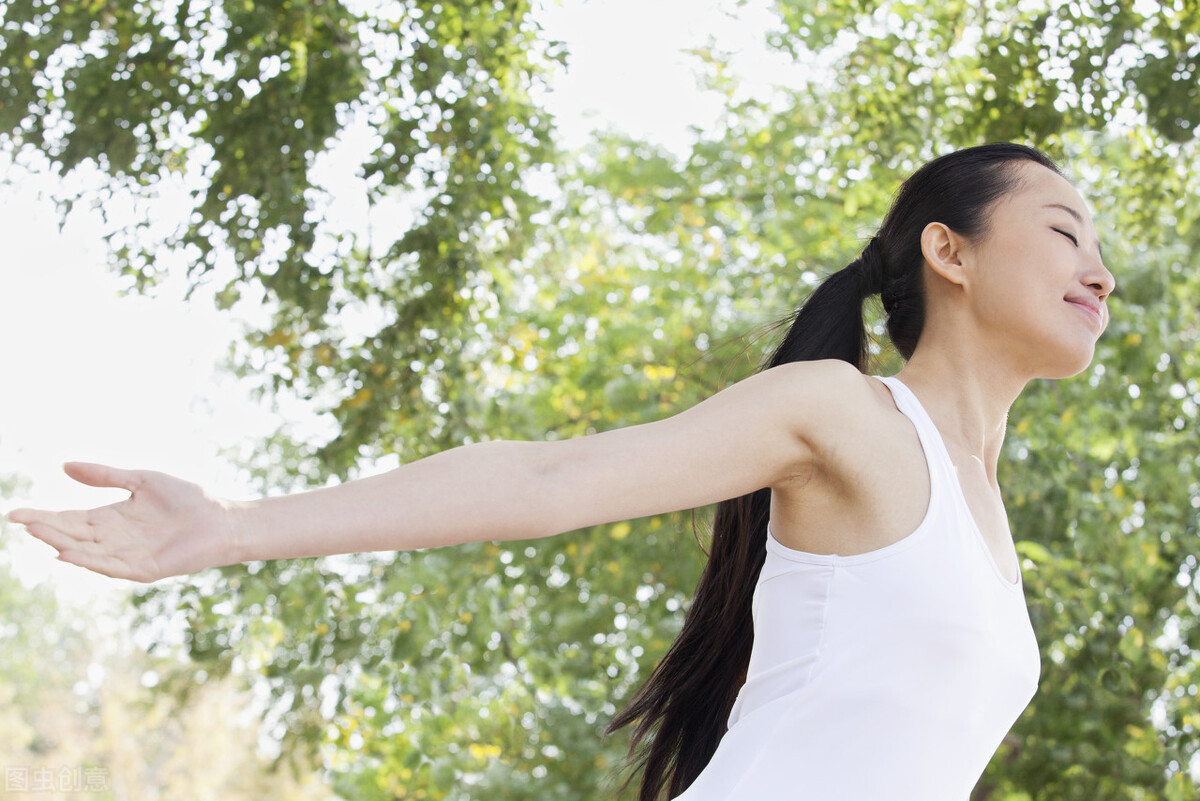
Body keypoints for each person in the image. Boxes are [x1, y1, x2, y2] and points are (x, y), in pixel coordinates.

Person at [6, 142, 1115, 800]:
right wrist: (234, 526)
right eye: (1067, 232)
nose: (1100, 273)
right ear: (949, 250)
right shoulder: (845, 414)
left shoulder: (986, 513)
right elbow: (542, 482)